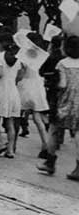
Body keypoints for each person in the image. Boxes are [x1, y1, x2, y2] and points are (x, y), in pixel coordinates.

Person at [37, 35, 79, 180]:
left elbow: (62, 84)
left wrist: (52, 83)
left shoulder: (62, 64)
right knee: (78, 135)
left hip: (64, 102)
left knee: (54, 131)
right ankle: (78, 168)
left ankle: (50, 163)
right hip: (78, 103)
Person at [0, 32, 22, 158]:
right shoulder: (17, 57)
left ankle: (0, 143)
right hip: (13, 90)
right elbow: (20, 75)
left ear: (1, 44)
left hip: (1, 90)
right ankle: (10, 150)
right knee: (10, 121)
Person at [17, 32, 50, 157]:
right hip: (37, 86)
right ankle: (45, 144)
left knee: (16, 115)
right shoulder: (40, 55)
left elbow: (21, 73)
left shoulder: (23, 55)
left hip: (25, 86)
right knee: (37, 118)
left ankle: (11, 144)